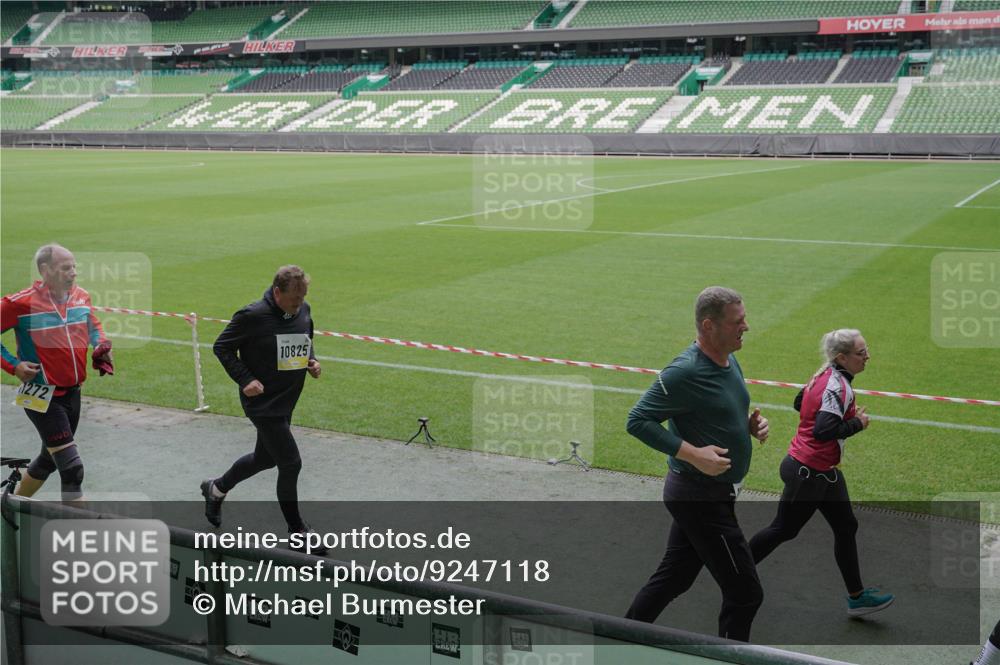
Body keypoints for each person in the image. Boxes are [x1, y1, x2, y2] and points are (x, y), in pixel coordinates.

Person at [624, 286, 770, 642]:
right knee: (745, 594)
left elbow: (719, 409)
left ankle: (618, 639)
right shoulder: (684, 371)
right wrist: (692, 452)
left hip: (711, 494)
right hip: (700, 497)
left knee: (674, 578)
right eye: (738, 321)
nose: (746, 327)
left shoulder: (728, 358)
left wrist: (748, 427)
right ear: (709, 326)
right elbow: (638, 420)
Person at [748, 329, 894, 616]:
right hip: (808, 472)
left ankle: (857, 597)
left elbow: (799, 403)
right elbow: (824, 429)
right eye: (861, 352)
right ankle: (735, 572)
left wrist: (838, 415)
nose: (868, 357)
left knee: (846, 526)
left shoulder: (824, 373)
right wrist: (857, 424)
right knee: (784, 529)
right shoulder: (838, 386)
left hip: (822, 471)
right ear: (842, 357)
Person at [200, 265, 325, 554]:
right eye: (294, 299)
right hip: (263, 404)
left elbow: (305, 339)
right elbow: (222, 347)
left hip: (287, 400)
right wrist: (245, 379)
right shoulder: (252, 316)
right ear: (277, 292)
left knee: (265, 458)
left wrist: (312, 362)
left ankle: (216, 489)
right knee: (290, 463)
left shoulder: (302, 309)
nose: (299, 305)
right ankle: (298, 532)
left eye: (302, 297)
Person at [0, 244, 113, 501]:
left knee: (48, 460)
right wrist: (13, 365)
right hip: (41, 395)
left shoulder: (81, 296)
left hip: (73, 394)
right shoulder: (20, 303)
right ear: (45, 270)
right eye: (65, 268)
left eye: (74, 266)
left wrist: (100, 345)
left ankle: (8, 508)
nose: (73, 273)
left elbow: (91, 323)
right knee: (72, 469)